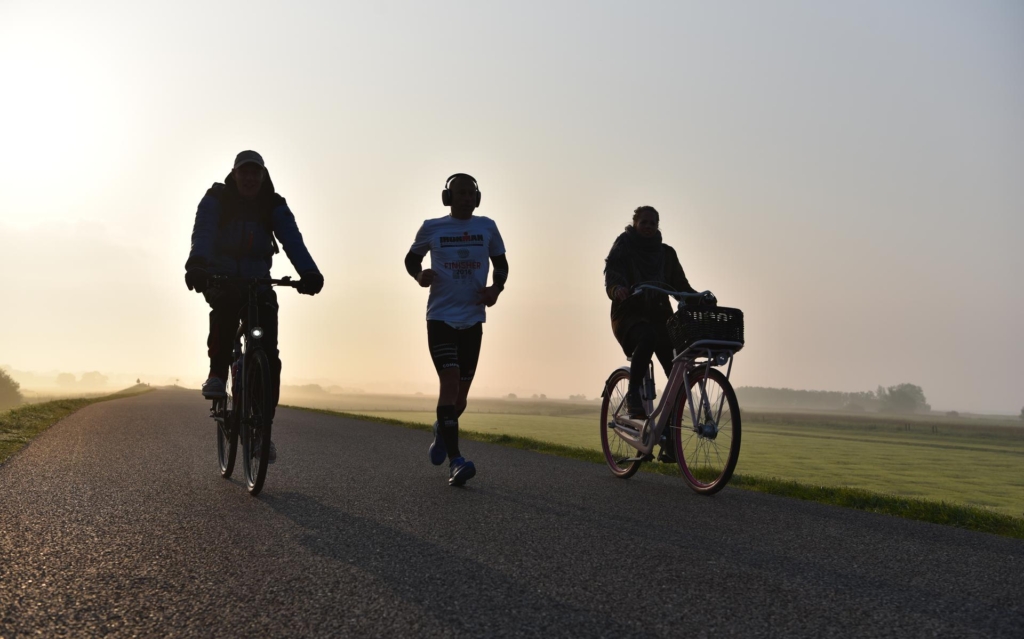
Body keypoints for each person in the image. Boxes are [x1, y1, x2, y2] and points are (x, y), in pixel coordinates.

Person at [184, 150, 324, 463]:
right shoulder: (217, 198)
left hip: (258, 281)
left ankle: (262, 430)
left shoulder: (273, 204)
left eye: (255, 173)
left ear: (263, 176)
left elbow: (292, 240)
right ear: (234, 174)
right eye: (244, 173)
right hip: (220, 277)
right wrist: (197, 264)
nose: (250, 179)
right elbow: (203, 232)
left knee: (268, 355)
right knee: (224, 310)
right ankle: (218, 374)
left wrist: (310, 273)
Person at [404, 173, 508, 486]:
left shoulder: (487, 227)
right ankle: (456, 462)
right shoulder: (432, 227)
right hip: (440, 318)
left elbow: (501, 264)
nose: (464, 198)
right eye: (458, 193)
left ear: (477, 199)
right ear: (447, 198)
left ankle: (442, 430)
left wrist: (495, 289)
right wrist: (418, 275)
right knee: (449, 382)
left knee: (460, 399)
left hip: (473, 320)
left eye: (469, 193)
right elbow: (411, 258)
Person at [604, 205, 702, 461]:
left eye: (653, 223)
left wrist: (698, 299)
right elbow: (612, 276)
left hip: (660, 316)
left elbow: (680, 285)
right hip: (629, 314)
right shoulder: (624, 246)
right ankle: (634, 394)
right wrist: (618, 290)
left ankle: (668, 437)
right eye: (644, 222)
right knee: (646, 337)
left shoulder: (666, 254)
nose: (648, 227)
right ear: (635, 223)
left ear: (658, 226)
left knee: (676, 373)